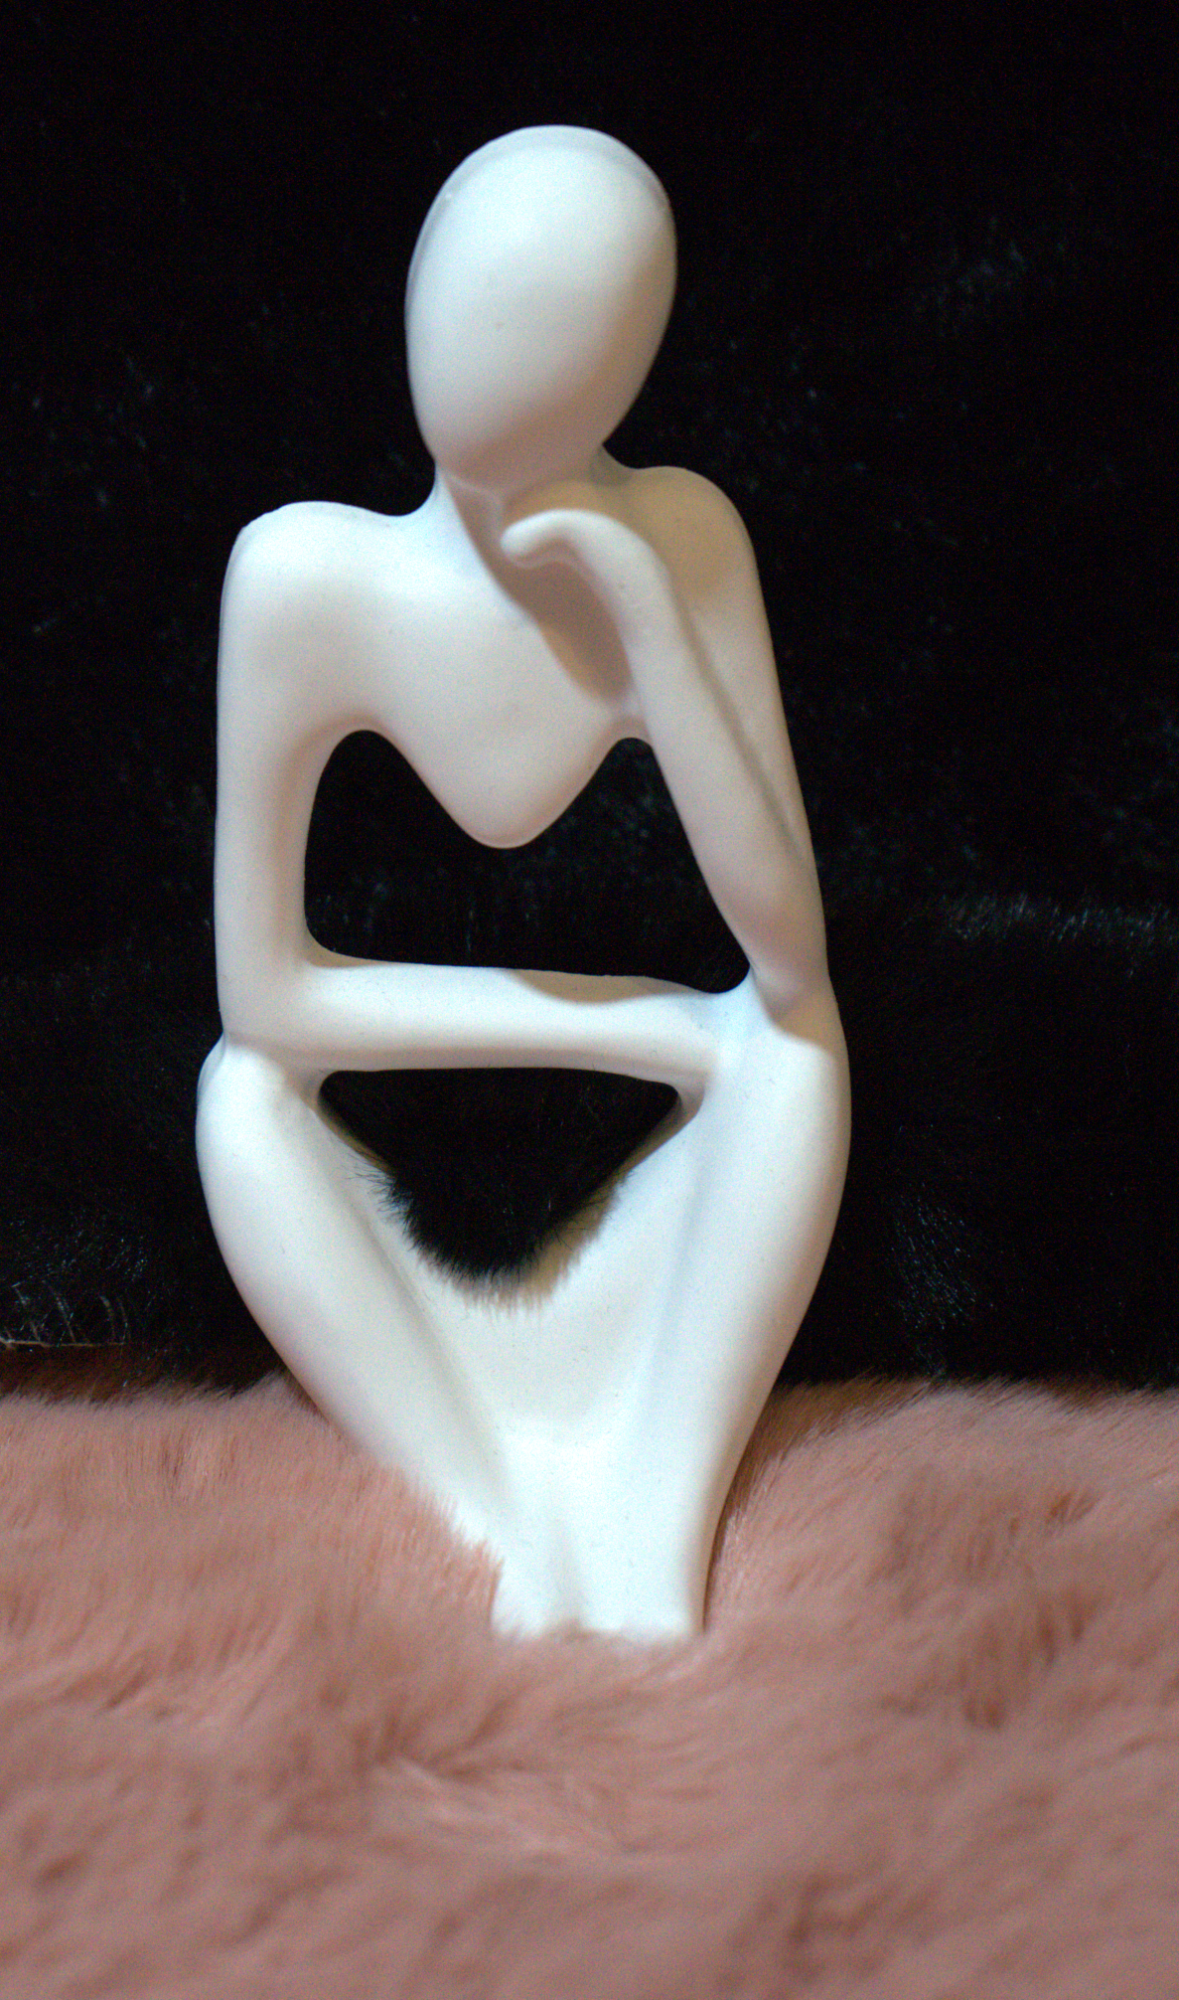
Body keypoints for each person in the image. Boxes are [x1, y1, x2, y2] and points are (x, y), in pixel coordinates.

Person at [196, 127, 850, 1637]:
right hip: (412, 1225)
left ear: (621, 374)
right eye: (473, 304)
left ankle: (654, 1517)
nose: (489, 366)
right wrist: (640, 1029)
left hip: (629, 1241)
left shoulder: (681, 542)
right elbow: (268, 1001)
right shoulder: (303, 579)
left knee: (799, 1056)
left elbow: (788, 961)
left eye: (557, 333)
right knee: (240, 1102)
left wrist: (648, 622)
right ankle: (493, 1522)